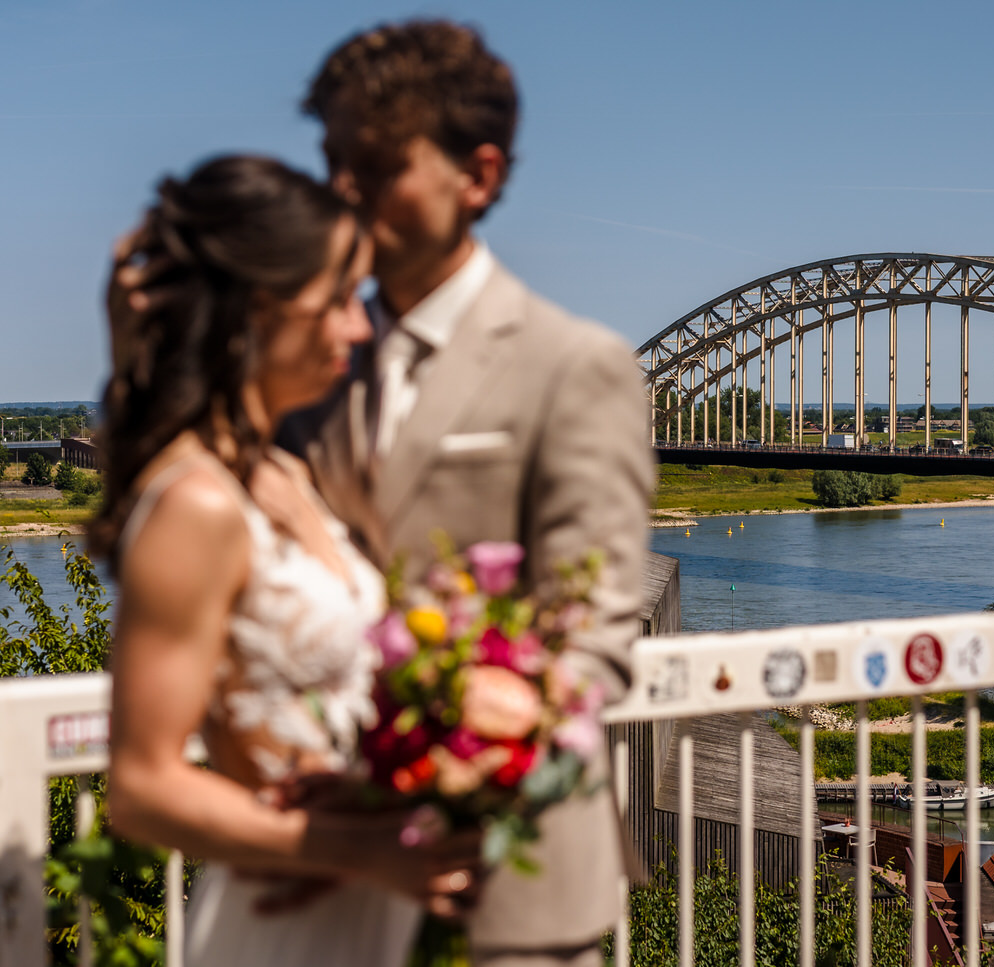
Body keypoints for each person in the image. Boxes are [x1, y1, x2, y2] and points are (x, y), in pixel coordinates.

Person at [287, 20, 653, 966]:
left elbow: (597, 634)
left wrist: (472, 755)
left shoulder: (575, 366)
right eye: (331, 160)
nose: (341, 190)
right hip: (329, 866)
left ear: (478, 177)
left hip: (508, 881)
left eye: (373, 162)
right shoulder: (312, 371)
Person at [97, 155, 483, 967]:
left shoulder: (286, 474)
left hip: (368, 905)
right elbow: (141, 787)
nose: (359, 326)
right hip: (282, 922)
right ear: (257, 313)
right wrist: (351, 850)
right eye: (338, 299)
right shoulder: (196, 503)